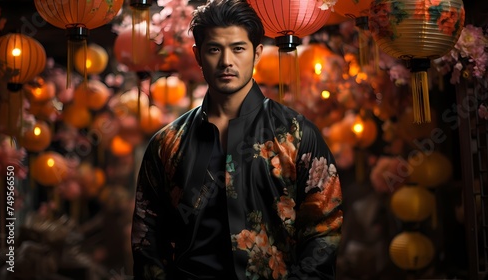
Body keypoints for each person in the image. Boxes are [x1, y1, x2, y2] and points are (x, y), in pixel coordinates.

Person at [131, 0, 343, 279]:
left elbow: (324, 227)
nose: (226, 61)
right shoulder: (168, 143)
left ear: (256, 54)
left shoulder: (296, 133)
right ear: (198, 55)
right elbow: (147, 236)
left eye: (238, 49)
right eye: (214, 49)